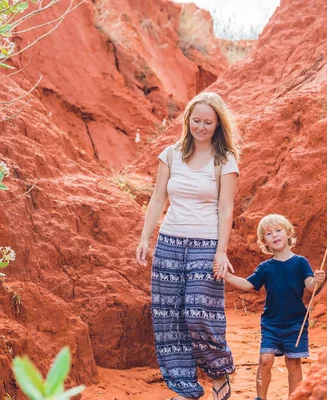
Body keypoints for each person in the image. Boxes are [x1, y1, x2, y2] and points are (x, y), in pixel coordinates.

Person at [136, 91, 240, 400]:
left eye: (208, 122)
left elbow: (226, 209)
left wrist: (221, 251)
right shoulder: (170, 155)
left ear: (218, 124)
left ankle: (218, 371)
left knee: (198, 312)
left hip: (205, 244)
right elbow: (158, 199)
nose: (202, 127)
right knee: (169, 317)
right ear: (187, 121)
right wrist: (145, 237)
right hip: (170, 242)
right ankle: (186, 389)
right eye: (196, 120)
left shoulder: (225, 160)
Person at [214, 214, 326, 400]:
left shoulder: (300, 262)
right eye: (268, 233)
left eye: (278, 230)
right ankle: (261, 398)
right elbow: (248, 284)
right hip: (271, 323)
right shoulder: (266, 267)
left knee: (293, 363)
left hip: (296, 322)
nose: (274, 235)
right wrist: (225, 275)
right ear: (264, 242)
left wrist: (318, 281)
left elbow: (310, 286)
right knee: (265, 360)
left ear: (288, 233)